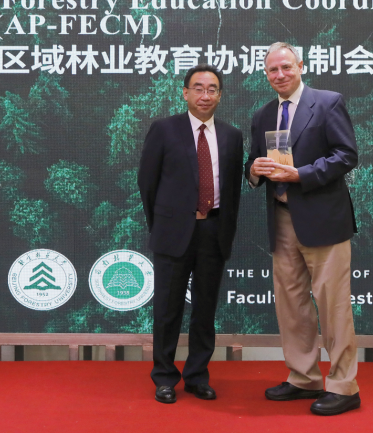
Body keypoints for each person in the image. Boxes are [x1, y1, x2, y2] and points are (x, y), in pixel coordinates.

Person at [244, 42, 361, 416]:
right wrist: (253, 171)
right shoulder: (263, 114)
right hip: (281, 218)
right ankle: (303, 377)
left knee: (333, 304)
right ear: (266, 75)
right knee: (291, 303)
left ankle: (343, 386)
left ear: (301, 66)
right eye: (272, 70)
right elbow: (254, 161)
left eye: (286, 67)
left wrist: (302, 174)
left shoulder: (327, 103)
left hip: (324, 219)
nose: (280, 75)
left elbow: (347, 155)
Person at [138, 64, 244, 404]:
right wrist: (163, 223)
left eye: (212, 89)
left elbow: (233, 191)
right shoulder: (164, 129)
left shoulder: (232, 135)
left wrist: (224, 228)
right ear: (185, 93)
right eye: (198, 88)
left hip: (214, 231)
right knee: (167, 310)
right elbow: (147, 183)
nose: (205, 95)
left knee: (205, 309)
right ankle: (164, 377)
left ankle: (197, 376)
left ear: (220, 95)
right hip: (173, 232)